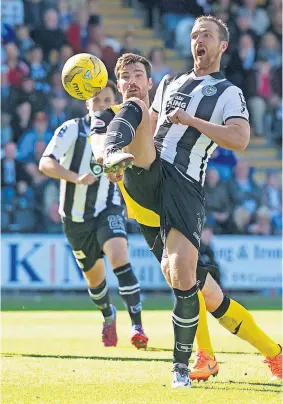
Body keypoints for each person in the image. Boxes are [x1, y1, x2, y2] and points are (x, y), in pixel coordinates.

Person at [89, 53, 282, 382]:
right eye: (126, 77)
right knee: (206, 293)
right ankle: (273, 353)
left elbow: (236, 138)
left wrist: (111, 150)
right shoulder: (115, 118)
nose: (133, 82)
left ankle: (205, 356)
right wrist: (102, 141)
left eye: (139, 75)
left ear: (150, 83)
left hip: (171, 190)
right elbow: (97, 139)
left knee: (184, 277)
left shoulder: (137, 110)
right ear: (118, 84)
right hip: (147, 211)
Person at [39, 80, 148, 350]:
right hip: (75, 218)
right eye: (97, 100)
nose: (102, 105)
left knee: (120, 257)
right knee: (95, 280)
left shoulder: (122, 133)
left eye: (107, 100)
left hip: (108, 207)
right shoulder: (71, 130)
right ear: (87, 103)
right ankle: (108, 315)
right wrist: (74, 177)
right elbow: (46, 162)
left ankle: (137, 326)